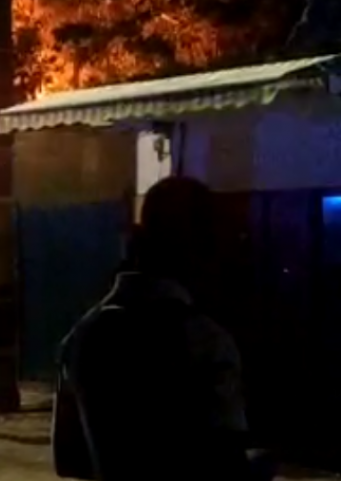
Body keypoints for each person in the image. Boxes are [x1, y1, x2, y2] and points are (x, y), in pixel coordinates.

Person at [52, 176, 270, 481]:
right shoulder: (205, 341)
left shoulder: (83, 336)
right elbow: (226, 463)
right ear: (201, 249)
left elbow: (70, 460)